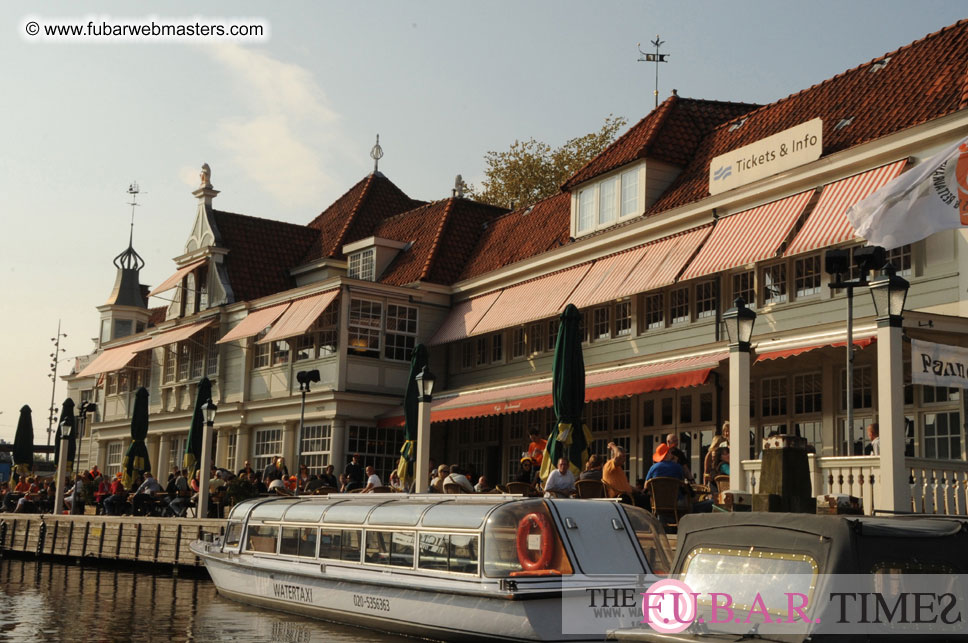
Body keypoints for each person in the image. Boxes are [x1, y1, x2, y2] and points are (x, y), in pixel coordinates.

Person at [603, 442, 647, 507]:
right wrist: (613, 446)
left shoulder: (618, 468)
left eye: (625, 456)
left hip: (626, 496)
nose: (624, 459)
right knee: (646, 501)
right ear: (614, 455)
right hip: (620, 498)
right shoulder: (609, 465)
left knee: (646, 497)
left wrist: (639, 491)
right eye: (623, 456)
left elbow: (626, 485)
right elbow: (619, 455)